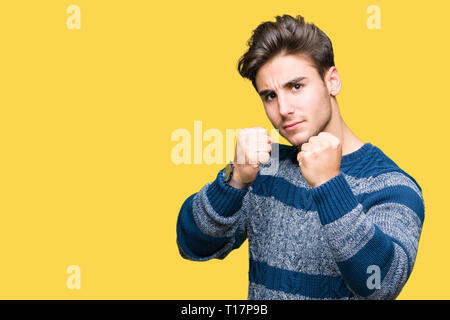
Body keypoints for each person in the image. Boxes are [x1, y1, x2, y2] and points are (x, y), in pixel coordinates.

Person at [176, 14, 425, 300]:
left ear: (332, 81)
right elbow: (192, 245)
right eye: (269, 96)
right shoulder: (266, 166)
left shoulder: (393, 186)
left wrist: (330, 186)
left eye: (296, 86)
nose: (283, 109)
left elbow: (380, 286)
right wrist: (234, 182)